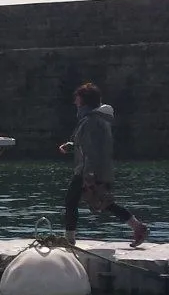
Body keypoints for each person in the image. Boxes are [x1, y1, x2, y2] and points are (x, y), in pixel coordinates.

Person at [58, 82, 149, 247]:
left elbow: (93, 150)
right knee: (105, 203)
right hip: (94, 169)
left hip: (88, 171)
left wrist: (89, 175)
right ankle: (137, 227)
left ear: (84, 100)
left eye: (77, 98)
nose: (75, 101)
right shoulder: (95, 119)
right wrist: (71, 146)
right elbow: (88, 145)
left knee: (72, 201)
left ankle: (69, 239)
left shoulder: (91, 121)